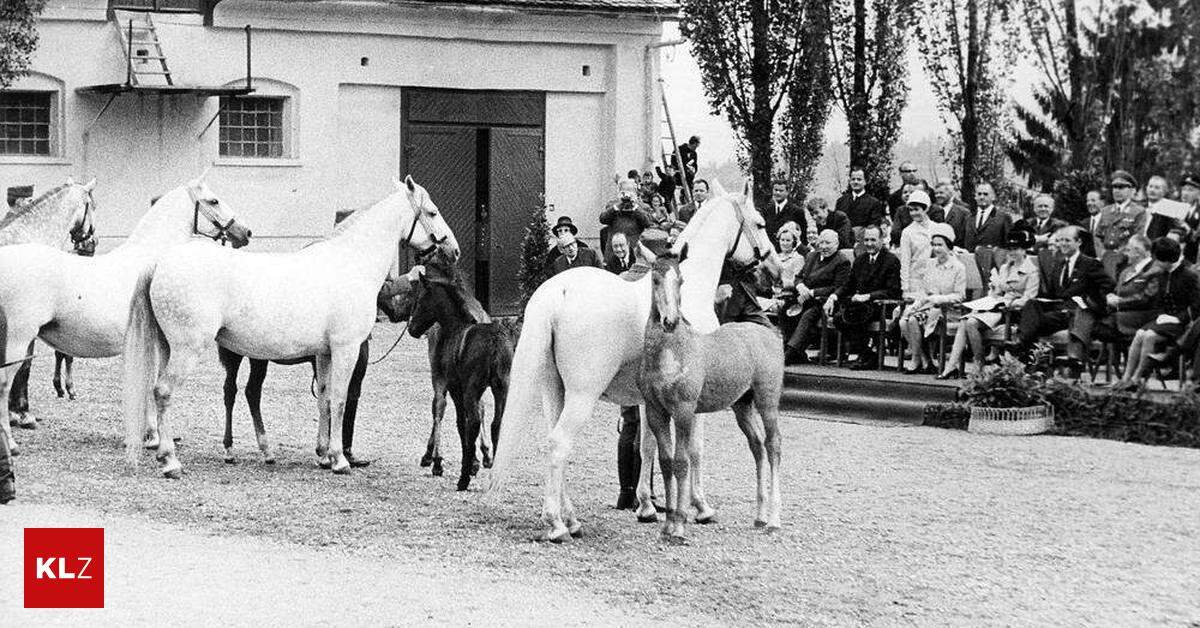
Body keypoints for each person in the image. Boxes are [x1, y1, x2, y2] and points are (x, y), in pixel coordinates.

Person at [1011, 226, 1114, 373]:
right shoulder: (1058, 264)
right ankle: (1024, 349)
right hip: (1057, 312)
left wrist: (1091, 300)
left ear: (1078, 242)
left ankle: (1026, 356)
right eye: (1060, 241)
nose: (1062, 244)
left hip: (1076, 313)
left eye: (1067, 240)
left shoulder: (1090, 263)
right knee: (1032, 305)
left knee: (1033, 324)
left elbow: (1108, 286)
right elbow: (1052, 294)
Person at [939, 229, 1039, 379]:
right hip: (995, 306)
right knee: (965, 321)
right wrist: (994, 290)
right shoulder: (1006, 267)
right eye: (1009, 249)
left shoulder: (1032, 271)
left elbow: (1029, 299)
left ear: (1024, 250)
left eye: (1016, 249)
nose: (1012, 252)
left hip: (1012, 312)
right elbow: (999, 291)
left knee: (970, 323)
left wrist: (1009, 303)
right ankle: (954, 365)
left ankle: (978, 363)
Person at [1114, 238, 1200, 389]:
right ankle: (1126, 377)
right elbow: (1157, 300)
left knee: (1149, 336)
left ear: (1168, 260)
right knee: (1140, 333)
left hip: (1182, 323)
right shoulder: (1161, 274)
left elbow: (1195, 306)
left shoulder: (1189, 276)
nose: (1157, 263)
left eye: (1159, 260)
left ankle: (1138, 378)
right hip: (1162, 319)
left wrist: (1177, 318)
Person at [1066, 234, 1162, 368]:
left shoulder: (1155, 269)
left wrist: (1119, 302)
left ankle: (1076, 359)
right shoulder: (1127, 270)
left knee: (1080, 321)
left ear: (1138, 252)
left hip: (1137, 319)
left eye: (1128, 250)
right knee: (1082, 310)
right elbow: (1115, 291)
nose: (1125, 254)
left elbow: (1146, 298)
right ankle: (1075, 359)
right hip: (1115, 316)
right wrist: (1109, 296)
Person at [824, 224, 901, 370]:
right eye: (866, 240)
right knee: (840, 318)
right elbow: (848, 285)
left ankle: (866, 355)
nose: (869, 244)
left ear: (882, 240)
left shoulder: (891, 261)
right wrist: (834, 296)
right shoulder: (860, 260)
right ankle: (867, 354)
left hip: (881, 305)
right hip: (861, 305)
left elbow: (893, 291)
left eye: (873, 240)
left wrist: (868, 296)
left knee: (852, 316)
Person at [898, 234, 966, 374]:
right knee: (903, 321)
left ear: (949, 246)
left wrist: (940, 299)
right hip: (928, 307)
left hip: (947, 311)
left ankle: (916, 359)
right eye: (934, 245)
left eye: (940, 245)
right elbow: (924, 291)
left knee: (912, 320)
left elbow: (960, 296)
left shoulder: (958, 267)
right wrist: (917, 303)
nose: (936, 248)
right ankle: (925, 359)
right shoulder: (930, 264)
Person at [783, 229, 851, 365]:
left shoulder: (842, 261)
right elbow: (798, 277)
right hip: (804, 297)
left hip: (825, 301)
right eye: (821, 242)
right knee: (785, 311)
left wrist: (812, 293)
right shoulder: (811, 256)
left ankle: (789, 353)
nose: (824, 246)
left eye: (828, 243)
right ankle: (796, 351)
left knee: (808, 315)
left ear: (837, 244)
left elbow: (838, 287)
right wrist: (800, 287)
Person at [897, 190, 956, 299]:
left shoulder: (937, 228)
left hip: (936, 280)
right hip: (916, 283)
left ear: (926, 209)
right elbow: (905, 262)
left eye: (916, 209)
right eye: (911, 210)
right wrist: (905, 288)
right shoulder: (907, 232)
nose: (913, 213)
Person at [1096, 169, 1147, 274]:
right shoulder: (1106, 211)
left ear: (1131, 190)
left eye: (1121, 187)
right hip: (1104, 258)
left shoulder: (1138, 212)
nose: (1117, 191)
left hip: (1125, 260)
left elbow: (1137, 237)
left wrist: (1121, 254)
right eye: (1114, 187)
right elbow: (1097, 235)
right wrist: (1101, 253)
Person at [599, 178, 654, 253]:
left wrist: (635, 207)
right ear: (619, 191)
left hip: (635, 247)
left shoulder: (643, 206)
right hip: (615, 248)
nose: (627, 193)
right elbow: (603, 219)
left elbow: (648, 223)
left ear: (635, 191)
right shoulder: (612, 204)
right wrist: (618, 206)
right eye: (624, 190)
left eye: (629, 190)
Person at [836, 166, 887, 236]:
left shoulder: (873, 203)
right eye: (853, 179)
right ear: (850, 181)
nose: (855, 182)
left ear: (865, 181)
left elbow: (873, 228)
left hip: (862, 242)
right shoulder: (841, 201)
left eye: (859, 179)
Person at [963, 180, 1011, 251]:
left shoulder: (1003, 218)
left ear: (993, 197)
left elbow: (1008, 245)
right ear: (975, 197)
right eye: (979, 194)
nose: (982, 197)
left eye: (985, 194)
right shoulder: (968, 218)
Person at [763, 178, 804, 248]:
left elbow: (802, 236)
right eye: (776, 190)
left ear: (787, 192)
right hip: (770, 252)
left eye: (781, 191)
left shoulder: (797, 211)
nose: (778, 193)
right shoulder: (766, 210)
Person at [935, 181, 973, 248]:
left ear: (950, 193)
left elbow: (968, 237)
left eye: (941, 193)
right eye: (936, 193)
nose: (938, 195)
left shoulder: (963, 212)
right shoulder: (935, 213)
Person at [1077, 189, 1105, 258]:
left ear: (1102, 202)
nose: (1089, 203)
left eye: (1093, 200)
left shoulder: (1108, 221)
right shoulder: (1082, 224)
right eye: (1087, 201)